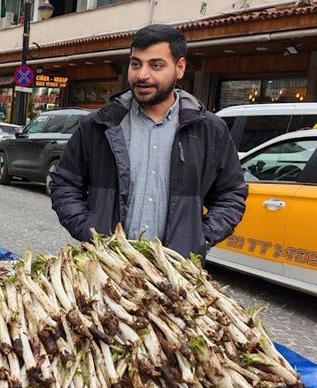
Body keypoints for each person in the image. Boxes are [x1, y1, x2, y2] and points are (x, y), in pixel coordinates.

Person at [49, 24, 247, 257]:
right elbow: (64, 183)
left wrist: (199, 238)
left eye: (156, 65)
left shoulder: (209, 130)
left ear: (180, 68)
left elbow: (231, 193)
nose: (142, 74)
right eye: (136, 64)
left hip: (174, 274)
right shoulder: (99, 125)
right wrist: (88, 230)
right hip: (105, 268)